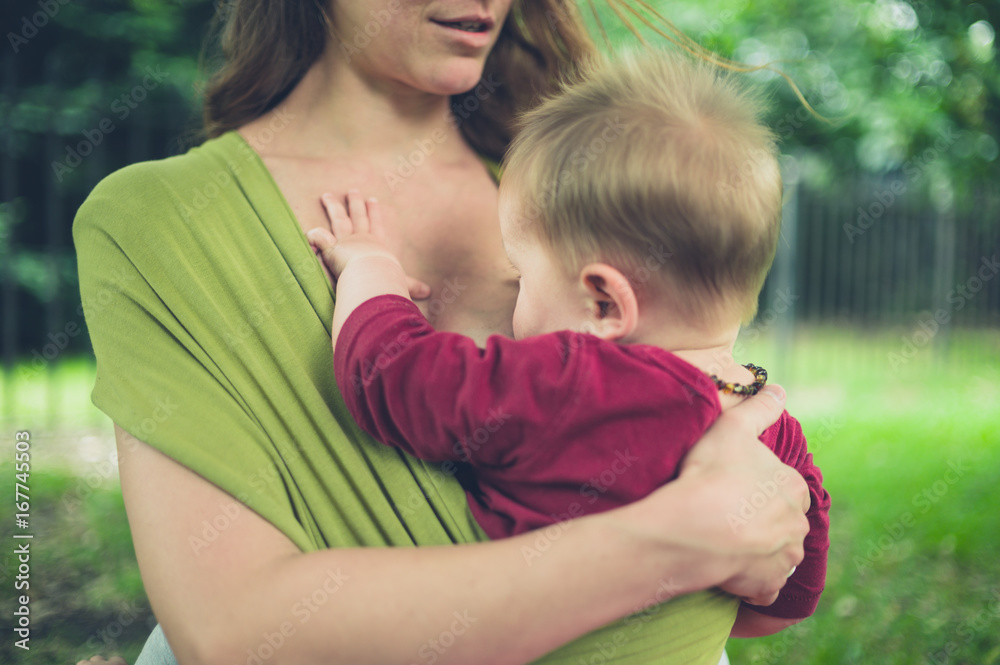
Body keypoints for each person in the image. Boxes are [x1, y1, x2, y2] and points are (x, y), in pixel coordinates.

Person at [73, 2, 810, 664]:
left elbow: (768, 556)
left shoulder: (583, 191)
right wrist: (681, 542)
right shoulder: (162, 224)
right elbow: (237, 631)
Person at [308, 48, 831, 642]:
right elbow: (781, 604)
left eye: (521, 274)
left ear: (604, 303)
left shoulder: (574, 382)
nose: (511, 294)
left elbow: (390, 376)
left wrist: (371, 266)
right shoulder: (776, 433)